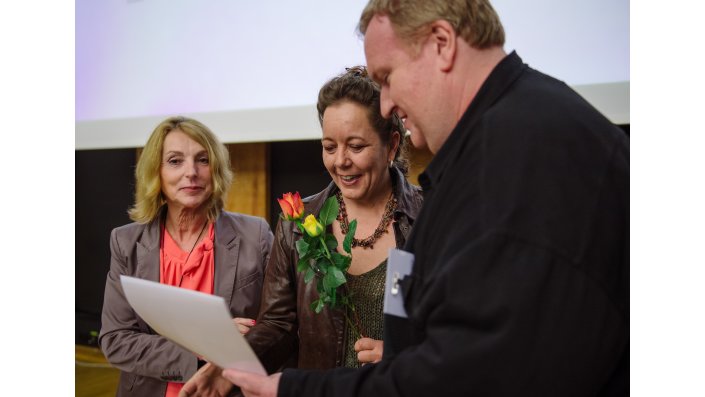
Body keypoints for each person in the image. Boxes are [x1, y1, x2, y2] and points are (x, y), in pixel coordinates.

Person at [219, 1, 629, 396]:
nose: (386, 103)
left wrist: (293, 390)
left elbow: (468, 374)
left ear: (441, 42)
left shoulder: (515, 156)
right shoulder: (524, 124)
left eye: (388, 77)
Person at [179, 66, 423, 396]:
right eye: (329, 146)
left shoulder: (428, 216)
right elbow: (278, 324)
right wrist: (229, 367)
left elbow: (454, 329)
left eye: (355, 146)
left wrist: (403, 357)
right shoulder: (299, 222)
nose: (340, 161)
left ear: (391, 145)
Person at [99, 116, 274, 397]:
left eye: (203, 160)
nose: (191, 172)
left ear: (215, 169)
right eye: (175, 161)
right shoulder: (126, 242)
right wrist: (205, 345)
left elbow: (280, 325)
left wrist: (228, 356)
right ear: (156, 172)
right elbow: (116, 340)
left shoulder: (256, 235)